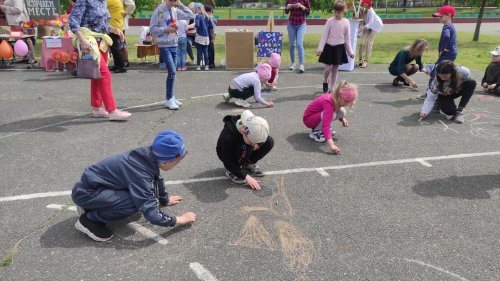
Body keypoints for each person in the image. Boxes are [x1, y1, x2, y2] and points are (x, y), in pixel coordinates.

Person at [72, 130, 196, 242]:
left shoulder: (147, 157)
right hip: (87, 193)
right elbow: (151, 213)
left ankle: (92, 207)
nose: (177, 165)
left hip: (94, 188)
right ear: (164, 161)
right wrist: (179, 220)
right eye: (176, 163)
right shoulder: (140, 174)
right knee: (134, 203)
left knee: (138, 197)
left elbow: (156, 177)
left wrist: (164, 199)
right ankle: (90, 220)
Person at [69, 0, 132, 120]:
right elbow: (73, 20)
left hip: (101, 42)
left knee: (97, 74)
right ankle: (112, 111)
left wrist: (113, 29)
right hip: (90, 42)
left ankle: (96, 108)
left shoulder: (103, 2)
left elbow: (101, 25)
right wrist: (82, 40)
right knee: (105, 75)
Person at [149, 0, 195, 110]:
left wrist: (180, 5)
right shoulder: (159, 11)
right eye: (172, 0)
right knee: (172, 71)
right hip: (164, 45)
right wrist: (166, 29)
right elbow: (152, 29)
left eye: (176, 0)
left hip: (175, 44)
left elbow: (191, 15)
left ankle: (171, 97)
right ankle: (169, 98)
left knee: (173, 72)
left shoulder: (175, 10)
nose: (173, 2)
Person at [216, 110, 274, 191]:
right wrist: (246, 176)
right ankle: (233, 171)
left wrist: (256, 143)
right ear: (244, 131)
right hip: (227, 154)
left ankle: (247, 164)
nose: (256, 147)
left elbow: (260, 140)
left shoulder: (253, 125)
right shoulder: (228, 135)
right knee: (244, 148)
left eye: (258, 144)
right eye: (253, 143)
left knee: (269, 141)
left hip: (243, 145)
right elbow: (227, 162)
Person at [303, 80, 358, 154]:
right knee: (331, 115)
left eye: (349, 102)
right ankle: (316, 132)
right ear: (339, 96)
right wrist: (332, 145)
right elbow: (326, 124)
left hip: (316, 117)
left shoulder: (336, 99)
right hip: (309, 120)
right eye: (346, 101)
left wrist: (342, 119)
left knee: (342, 111)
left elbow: (337, 110)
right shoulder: (328, 102)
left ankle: (321, 129)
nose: (347, 104)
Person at [317, 0, 355, 93]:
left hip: (339, 48)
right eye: (335, 12)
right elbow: (324, 36)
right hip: (328, 47)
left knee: (335, 69)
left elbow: (347, 39)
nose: (337, 14)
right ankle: (325, 80)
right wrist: (320, 49)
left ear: (343, 11)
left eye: (339, 12)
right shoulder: (330, 21)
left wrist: (350, 52)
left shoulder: (346, 22)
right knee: (327, 69)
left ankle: (332, 87)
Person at [427, 5, 458, 89]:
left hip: (447, 53)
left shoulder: (447, 26)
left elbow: (446, 36)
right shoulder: (450, 25)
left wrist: (442, 49)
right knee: (445, 71)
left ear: (448, 15)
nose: (438, 18)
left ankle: (429, 92)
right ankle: (443, 89)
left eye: (440, 16)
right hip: (452, 52)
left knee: (435, 71)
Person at [284, 0, 309, 73]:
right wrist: (288, 7)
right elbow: (286, 12)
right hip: (291, 24)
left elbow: (308, 12)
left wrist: (302, 6)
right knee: (292, 45)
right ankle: (293, 64)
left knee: (299, 43)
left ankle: (301, 65)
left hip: (301, 24)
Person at [357, 0, 383, 68]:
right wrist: (359, 31)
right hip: (367, 25)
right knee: (362, 42)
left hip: (375, 25)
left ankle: (366, 61)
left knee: (369, 42)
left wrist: (363, 27)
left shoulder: (370, 11)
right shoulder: (363, 9)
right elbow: (362, 21)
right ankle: (360, 59)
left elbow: (371, 23)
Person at [107, 0, 127, 73]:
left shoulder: (111, 1)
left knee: (115, 47)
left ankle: (121, 66)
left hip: (113, 26)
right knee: (114, 47)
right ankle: (117, 65)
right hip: (116, 25)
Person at [193, 3, 213, 71]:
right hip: (206, 36)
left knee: (199, 52)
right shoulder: (207, 16)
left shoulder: (198, 16)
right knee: (205, 52)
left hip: (199, 36)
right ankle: (206, 66)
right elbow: (212, 26)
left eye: (195, 9)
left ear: (198, 9)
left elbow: (197, 25)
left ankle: (198, 66)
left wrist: (195, 25)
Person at [121, 0, 136, 67]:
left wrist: (124, 13)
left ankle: (125, 61)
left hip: (119, 23)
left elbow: (131, 5)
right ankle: (120, 61)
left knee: (121, 42)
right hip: (113, 23)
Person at [205, 5, 216, 69]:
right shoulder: (211, 17)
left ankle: (210, 63)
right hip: (210, 35)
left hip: (209, 35)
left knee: (209, 50)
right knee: (211, 49)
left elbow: (212, 27)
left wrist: (212, 37)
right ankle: (211, 63)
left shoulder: (208, 17)